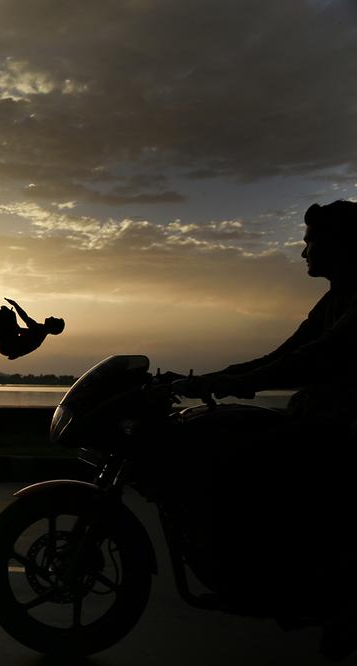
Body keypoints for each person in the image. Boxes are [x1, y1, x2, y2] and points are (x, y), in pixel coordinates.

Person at [190, 201, 357, 660]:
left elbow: (313, 357)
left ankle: (305, 589)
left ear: (339, 244)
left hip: (343, 427)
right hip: (323, 419)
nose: (304, 252)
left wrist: (236, 382)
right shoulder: (334, 299)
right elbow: (282, 354)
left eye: (311, 242)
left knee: (249, 464)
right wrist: (214, 379)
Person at [0, 298, 64, 359]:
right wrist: (15, 305)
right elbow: (25, 319)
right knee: (7, 315)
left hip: (7, 346)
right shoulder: (40, 329)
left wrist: (11, 313)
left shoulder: (40, 332)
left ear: (52, 326)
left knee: (8, 315)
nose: (52, 317)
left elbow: (20, 328)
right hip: (8, 344)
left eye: (54, 319)